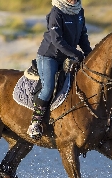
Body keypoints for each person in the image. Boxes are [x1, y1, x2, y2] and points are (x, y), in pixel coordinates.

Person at [27, 0, 92, 139]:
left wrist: (89, 54)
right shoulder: (56, 12)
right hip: (49, 56)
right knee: (48, 88)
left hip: (67, 56)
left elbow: (83, 37)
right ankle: (35, 124)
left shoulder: (79, 11)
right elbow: (57, 41)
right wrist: (76, 53)